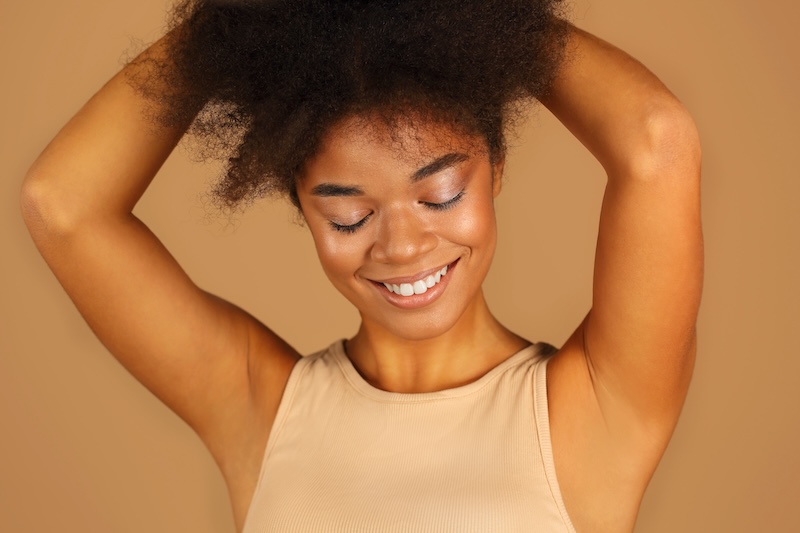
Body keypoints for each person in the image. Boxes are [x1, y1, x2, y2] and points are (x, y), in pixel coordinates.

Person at [20, 1, 702, 531]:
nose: (401, 246)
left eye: (439, 194)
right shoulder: (260, 409)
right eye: (349, 215)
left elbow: (657, 141)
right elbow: (62, 205)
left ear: (496, 169)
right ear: (302, 208)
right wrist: (238, 18)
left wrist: (482, 15)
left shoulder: (592, 409)